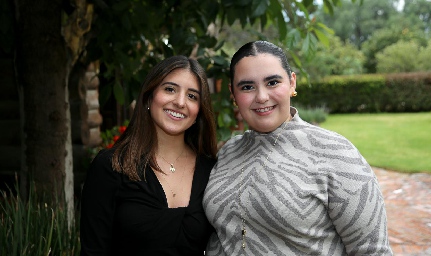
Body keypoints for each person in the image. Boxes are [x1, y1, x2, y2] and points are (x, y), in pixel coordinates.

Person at [203, 41, 393, 255]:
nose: (262, 96)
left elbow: (372, 250)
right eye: (247, 87)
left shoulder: (336, 153)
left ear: (292, 83)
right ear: (233, 94)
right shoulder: (229, 151)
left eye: (272, 82)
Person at [80, 55, 218, 255]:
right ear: (149, 96)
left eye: (192, 96)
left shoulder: (212, 171)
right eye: (170, 89)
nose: (180, 102)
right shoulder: (111, 166)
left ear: (199, 111)